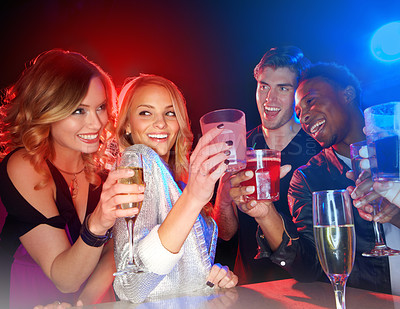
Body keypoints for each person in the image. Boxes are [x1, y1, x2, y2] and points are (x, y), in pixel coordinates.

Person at [0, 49, 145, 308]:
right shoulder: (25, 165)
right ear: (46, 110)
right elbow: (64, 279)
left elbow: (115, 251)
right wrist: (99, 222)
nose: (96, 123)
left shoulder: (104, 173)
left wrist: (83, 304)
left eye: (100, 107)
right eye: (79, 110)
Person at [252, 62, 394, 294]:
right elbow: (309, 269)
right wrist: (266, 214)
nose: (304, 116)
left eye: (310, 101)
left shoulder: (394, 150)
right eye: (298, 113)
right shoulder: (308, 179)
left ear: (347, 94)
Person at [113, 74, 238, 303]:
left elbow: (175, 273)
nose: (160, 123)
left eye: (169, 113)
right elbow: (131, 286)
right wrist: (192, 198)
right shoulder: (138, 160)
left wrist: (210, 279)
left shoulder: (177, 181)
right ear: (127, 124)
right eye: (145, 112)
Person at [213, 46, 322, 284]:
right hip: (251, 290)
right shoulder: (238, 148)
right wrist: (223, 199)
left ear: (299, 94)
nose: (269, 99)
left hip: (310, 288)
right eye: (264, 86)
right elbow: (224, 235)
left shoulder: (318, 150)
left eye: (283, 88)